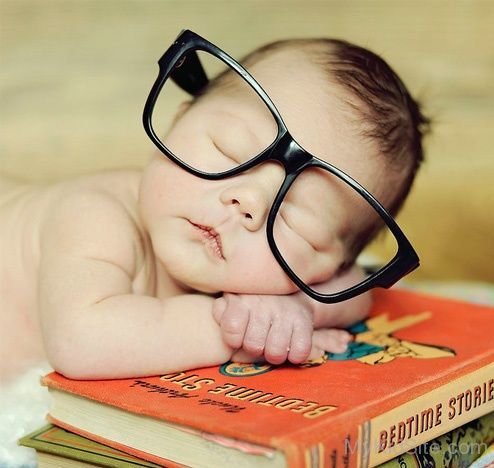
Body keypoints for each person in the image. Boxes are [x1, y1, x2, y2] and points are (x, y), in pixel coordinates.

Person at [0, 31, 429, 381]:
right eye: (229, 149)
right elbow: (82, 340)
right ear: (179, 119)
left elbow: (358, 290)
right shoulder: (95, 215)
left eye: (295, 221)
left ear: (323, 268)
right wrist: (240, 329)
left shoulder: (298, 275)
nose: (248, 202)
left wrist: (296, 310)